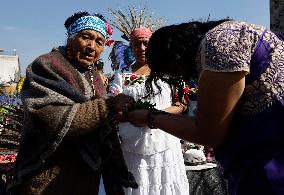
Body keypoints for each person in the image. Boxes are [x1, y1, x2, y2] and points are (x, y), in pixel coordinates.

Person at [126, 19, 284, 195]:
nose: (181, 75)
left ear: (174, 56)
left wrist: (151, 117)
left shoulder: (220, 44)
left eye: (171, 70)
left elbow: (208, 134)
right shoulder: (238, 32)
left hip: (271, 167)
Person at [7, 11, 138, 195]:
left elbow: (101, 124)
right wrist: (109, 106)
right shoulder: (47, 65)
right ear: (71, 38)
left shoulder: (92, 74)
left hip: (85, 176)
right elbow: (49, 117)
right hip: (47, 174)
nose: (92, 46)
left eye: (99, 42)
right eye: (86, 37)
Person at [108, 6, 189, 195]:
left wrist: (152, 116)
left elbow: (181, 104)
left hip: (165, 144)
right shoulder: (122, 76)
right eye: (137, 44)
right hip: (133, 147)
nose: (142, 48)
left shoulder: (169, 73)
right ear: (131, 47)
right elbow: (114, 105)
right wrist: (127, 114)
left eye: (146, 43)